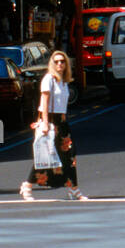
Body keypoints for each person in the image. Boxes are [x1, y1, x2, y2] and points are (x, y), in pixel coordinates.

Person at [21, 51, 85, 201]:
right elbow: (44, 101)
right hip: (50, 120)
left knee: (69, 155)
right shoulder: (48, 79)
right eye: (56, 61)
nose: (59, 64)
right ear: (52, 63)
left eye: (62, 61)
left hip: (61, 121)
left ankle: (73, 189)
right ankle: (27, 185)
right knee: (45, 155)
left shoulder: (63, 81)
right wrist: (44, 123)